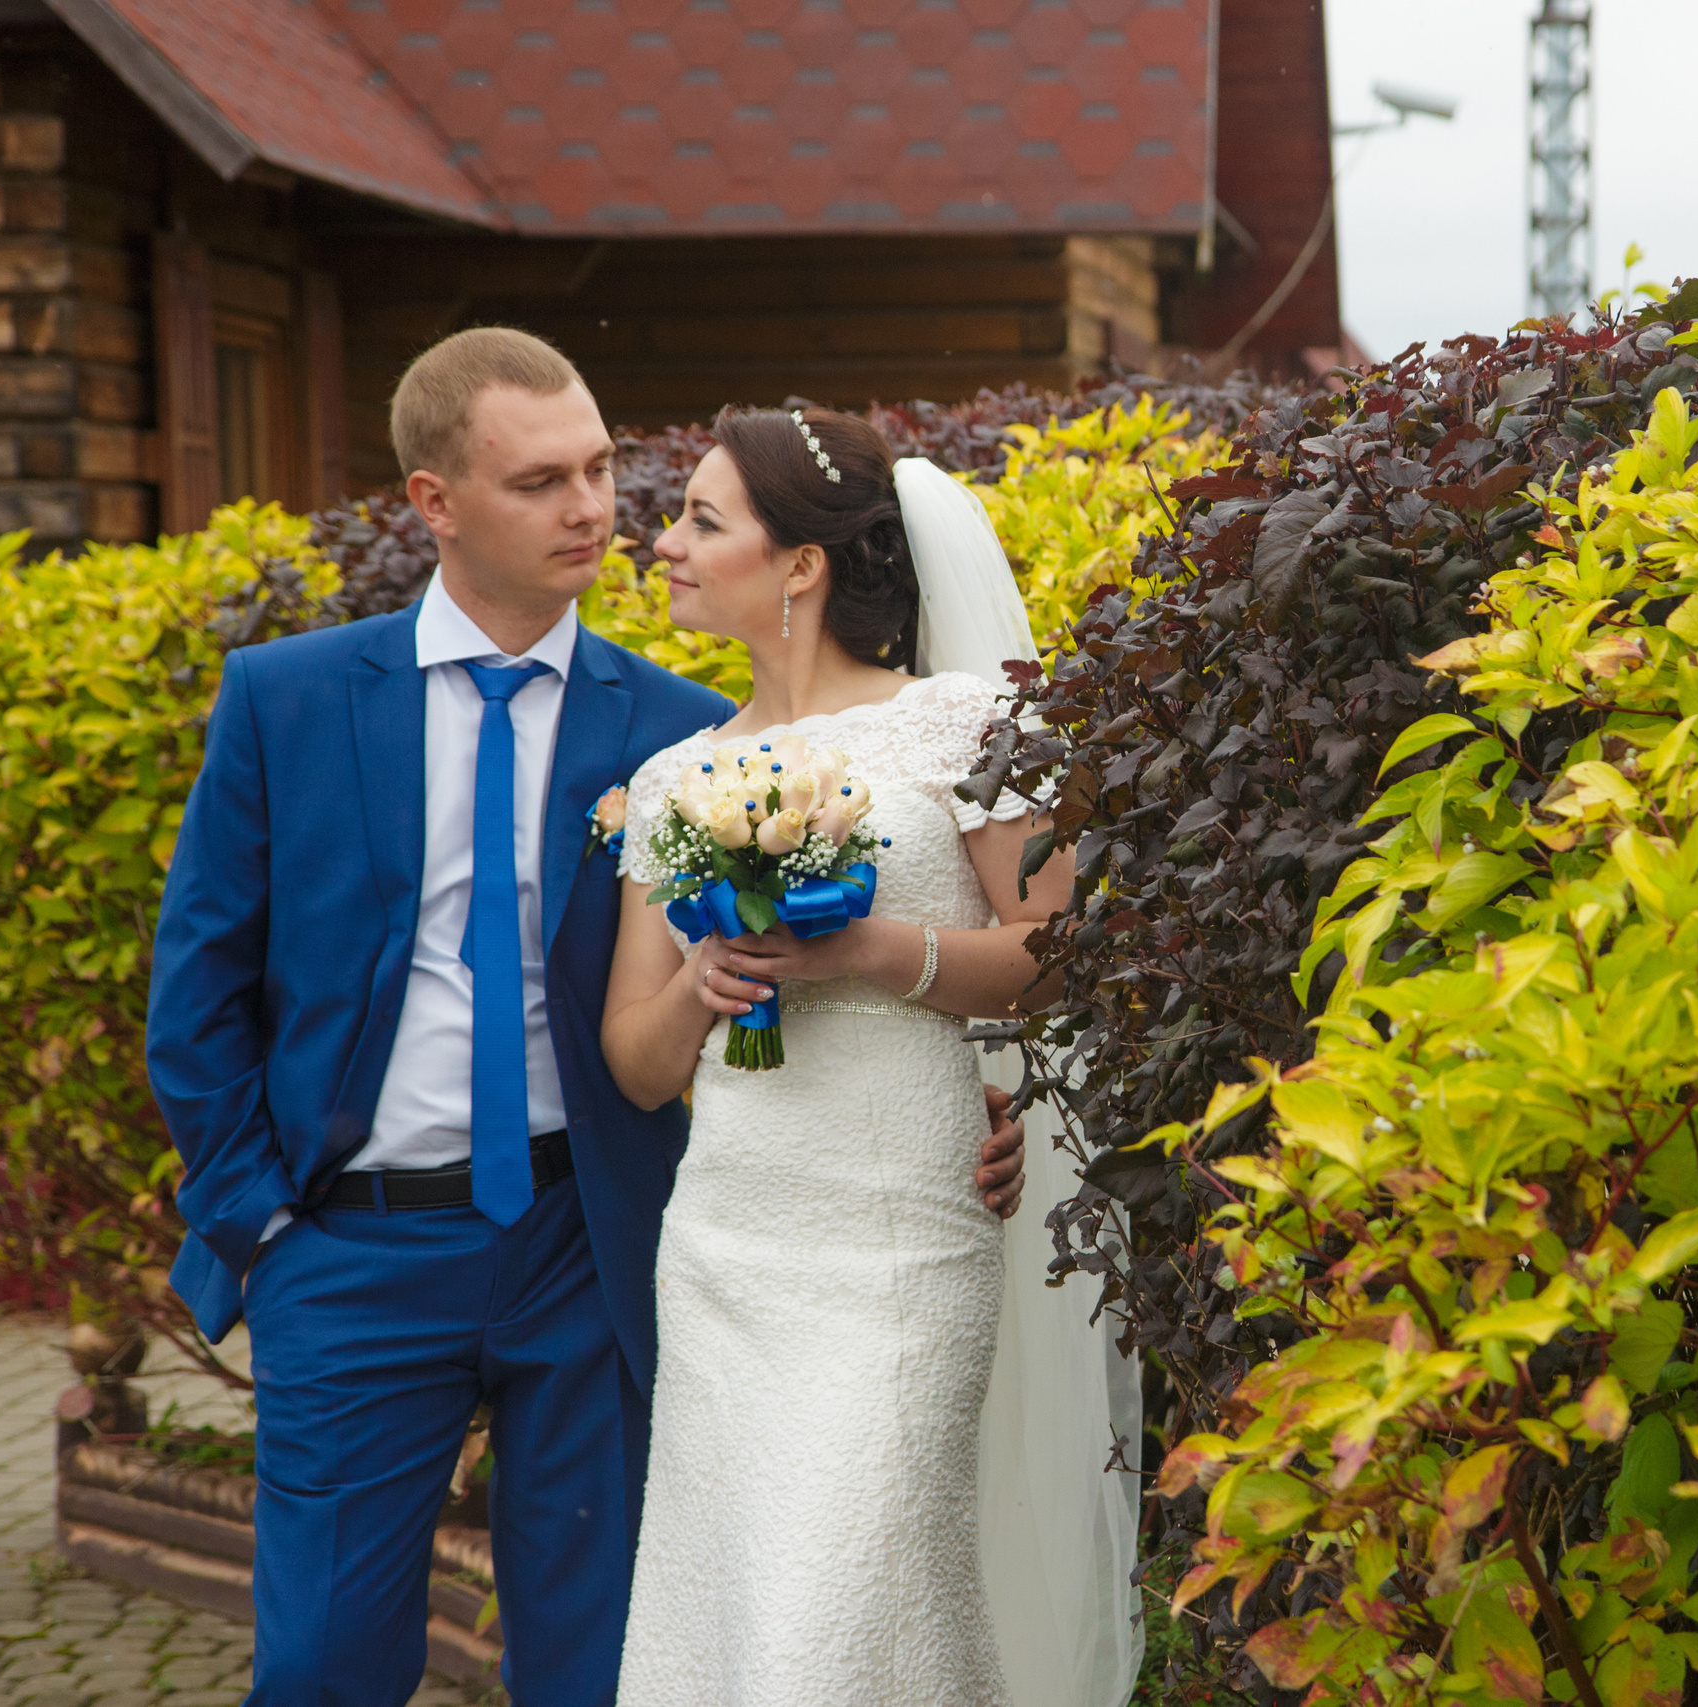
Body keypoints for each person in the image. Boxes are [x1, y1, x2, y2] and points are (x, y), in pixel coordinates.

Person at [144, 327, 1029, 1707]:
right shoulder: (290, 699)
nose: (593, 510)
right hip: (351, 1250)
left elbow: (943, 952)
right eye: (542, 480)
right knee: (320, 1664)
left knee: (608, 1662)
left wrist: (961, 1092)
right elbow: (198, 993)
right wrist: (262, 1231)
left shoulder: (678, 729)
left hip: (594, 1249)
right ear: (436, 501)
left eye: (604, 470)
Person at [602, 405, 1138, 1705]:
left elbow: (1057, 952)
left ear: (802, 564)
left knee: (835, 1626)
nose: (661, 544)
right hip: (731, 1246)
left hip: (903, 1239)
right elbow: (636, 1061)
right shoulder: (673, 780)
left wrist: (874, 953)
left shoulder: (963, 725)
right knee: (741, 1622)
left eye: (701, 519)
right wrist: (703, 981)